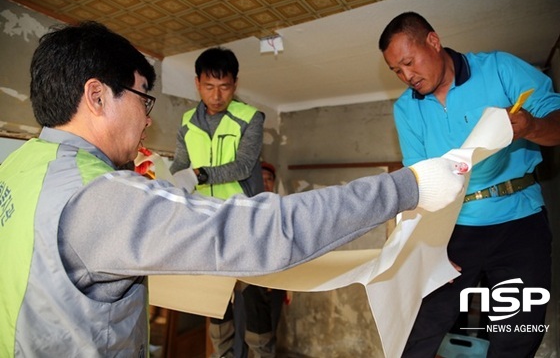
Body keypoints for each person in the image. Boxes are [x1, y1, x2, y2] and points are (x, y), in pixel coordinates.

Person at [0, 20, 464, 358]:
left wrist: (194, 179)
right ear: (97, 96)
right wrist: (409, 186)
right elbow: (271, 230)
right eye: (144, 99)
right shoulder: (102, 194)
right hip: (226, 237)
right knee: (223, 331)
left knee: (258, 327)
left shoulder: (16, 166)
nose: (147, 117)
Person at [378, 11, 560, 357]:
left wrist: (529, 127)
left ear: (433, 41)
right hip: (454, 229)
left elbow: (556, 119)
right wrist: (429, 247)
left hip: (520, 223)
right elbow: (421, 183)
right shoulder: (406, 109)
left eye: (408, 62)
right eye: (396, 71)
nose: (406, 76)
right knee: (420, 327)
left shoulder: (500, 69)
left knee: (517, 333)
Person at [169, 46, 265, 358]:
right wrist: (169, 181)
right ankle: (221, 354)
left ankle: (262, 353)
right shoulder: (186, 122)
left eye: (224, 87)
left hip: (243, 221)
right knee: (215, 299)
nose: (217, 95)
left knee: (253, 299)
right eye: (209, 87)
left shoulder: (250, 118)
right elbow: (179, 165)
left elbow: (244, 165)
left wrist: (198, 175)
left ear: (235, 85)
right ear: (197, 83)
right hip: (205, 224)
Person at [241, 161, 289, 357]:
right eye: (261, 179)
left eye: (269, 179)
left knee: (271, 323)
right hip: (251, 278)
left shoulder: (280, 209)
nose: (266, 183)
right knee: (255, 329)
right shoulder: (244, 207)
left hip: (277, 278)